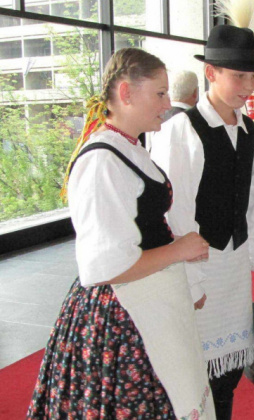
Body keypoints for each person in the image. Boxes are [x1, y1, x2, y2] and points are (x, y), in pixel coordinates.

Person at [27, 48, 214, 419]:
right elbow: (105, 266)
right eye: (159, 93)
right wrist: (179, 250)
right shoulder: (101, 160)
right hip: (123, 314)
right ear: (126, 94)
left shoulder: (127, 147)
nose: (167, 102)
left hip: (147, 299)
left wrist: (180, 254)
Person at [150, 25, 254, 420]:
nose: (247, 87)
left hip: (234, 267)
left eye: (252, 77)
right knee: (196, 374)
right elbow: (174, 212)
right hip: (199, 270)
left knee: (230, 373)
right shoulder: (182, 129)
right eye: (238, 76)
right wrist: (192, 280)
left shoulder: (250, 128)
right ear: (211, 73)